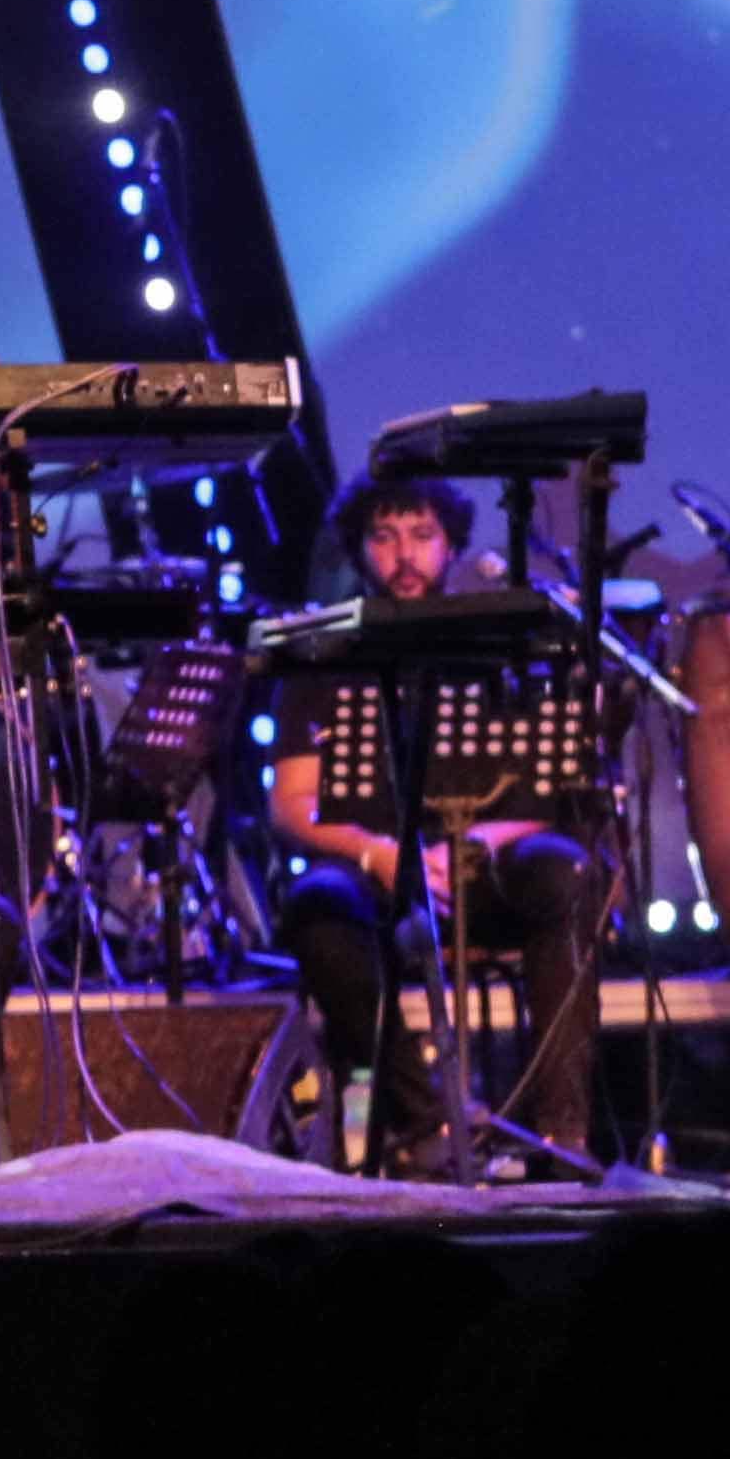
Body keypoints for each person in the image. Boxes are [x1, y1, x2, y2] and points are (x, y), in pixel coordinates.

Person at [265, 470, 603, 1167]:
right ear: (360, 548)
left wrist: (473, 842)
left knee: (567, 873)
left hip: (480, 864)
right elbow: (289, 802)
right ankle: (425, 1125)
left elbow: (549, 792)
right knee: (316, 907)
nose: (404, 555)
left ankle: (560, 1131)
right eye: (384, 537)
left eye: (422, 535)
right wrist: (378, 853)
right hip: (376, 871)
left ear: (451, 544)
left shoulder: (495, 641)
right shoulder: (322, 650)